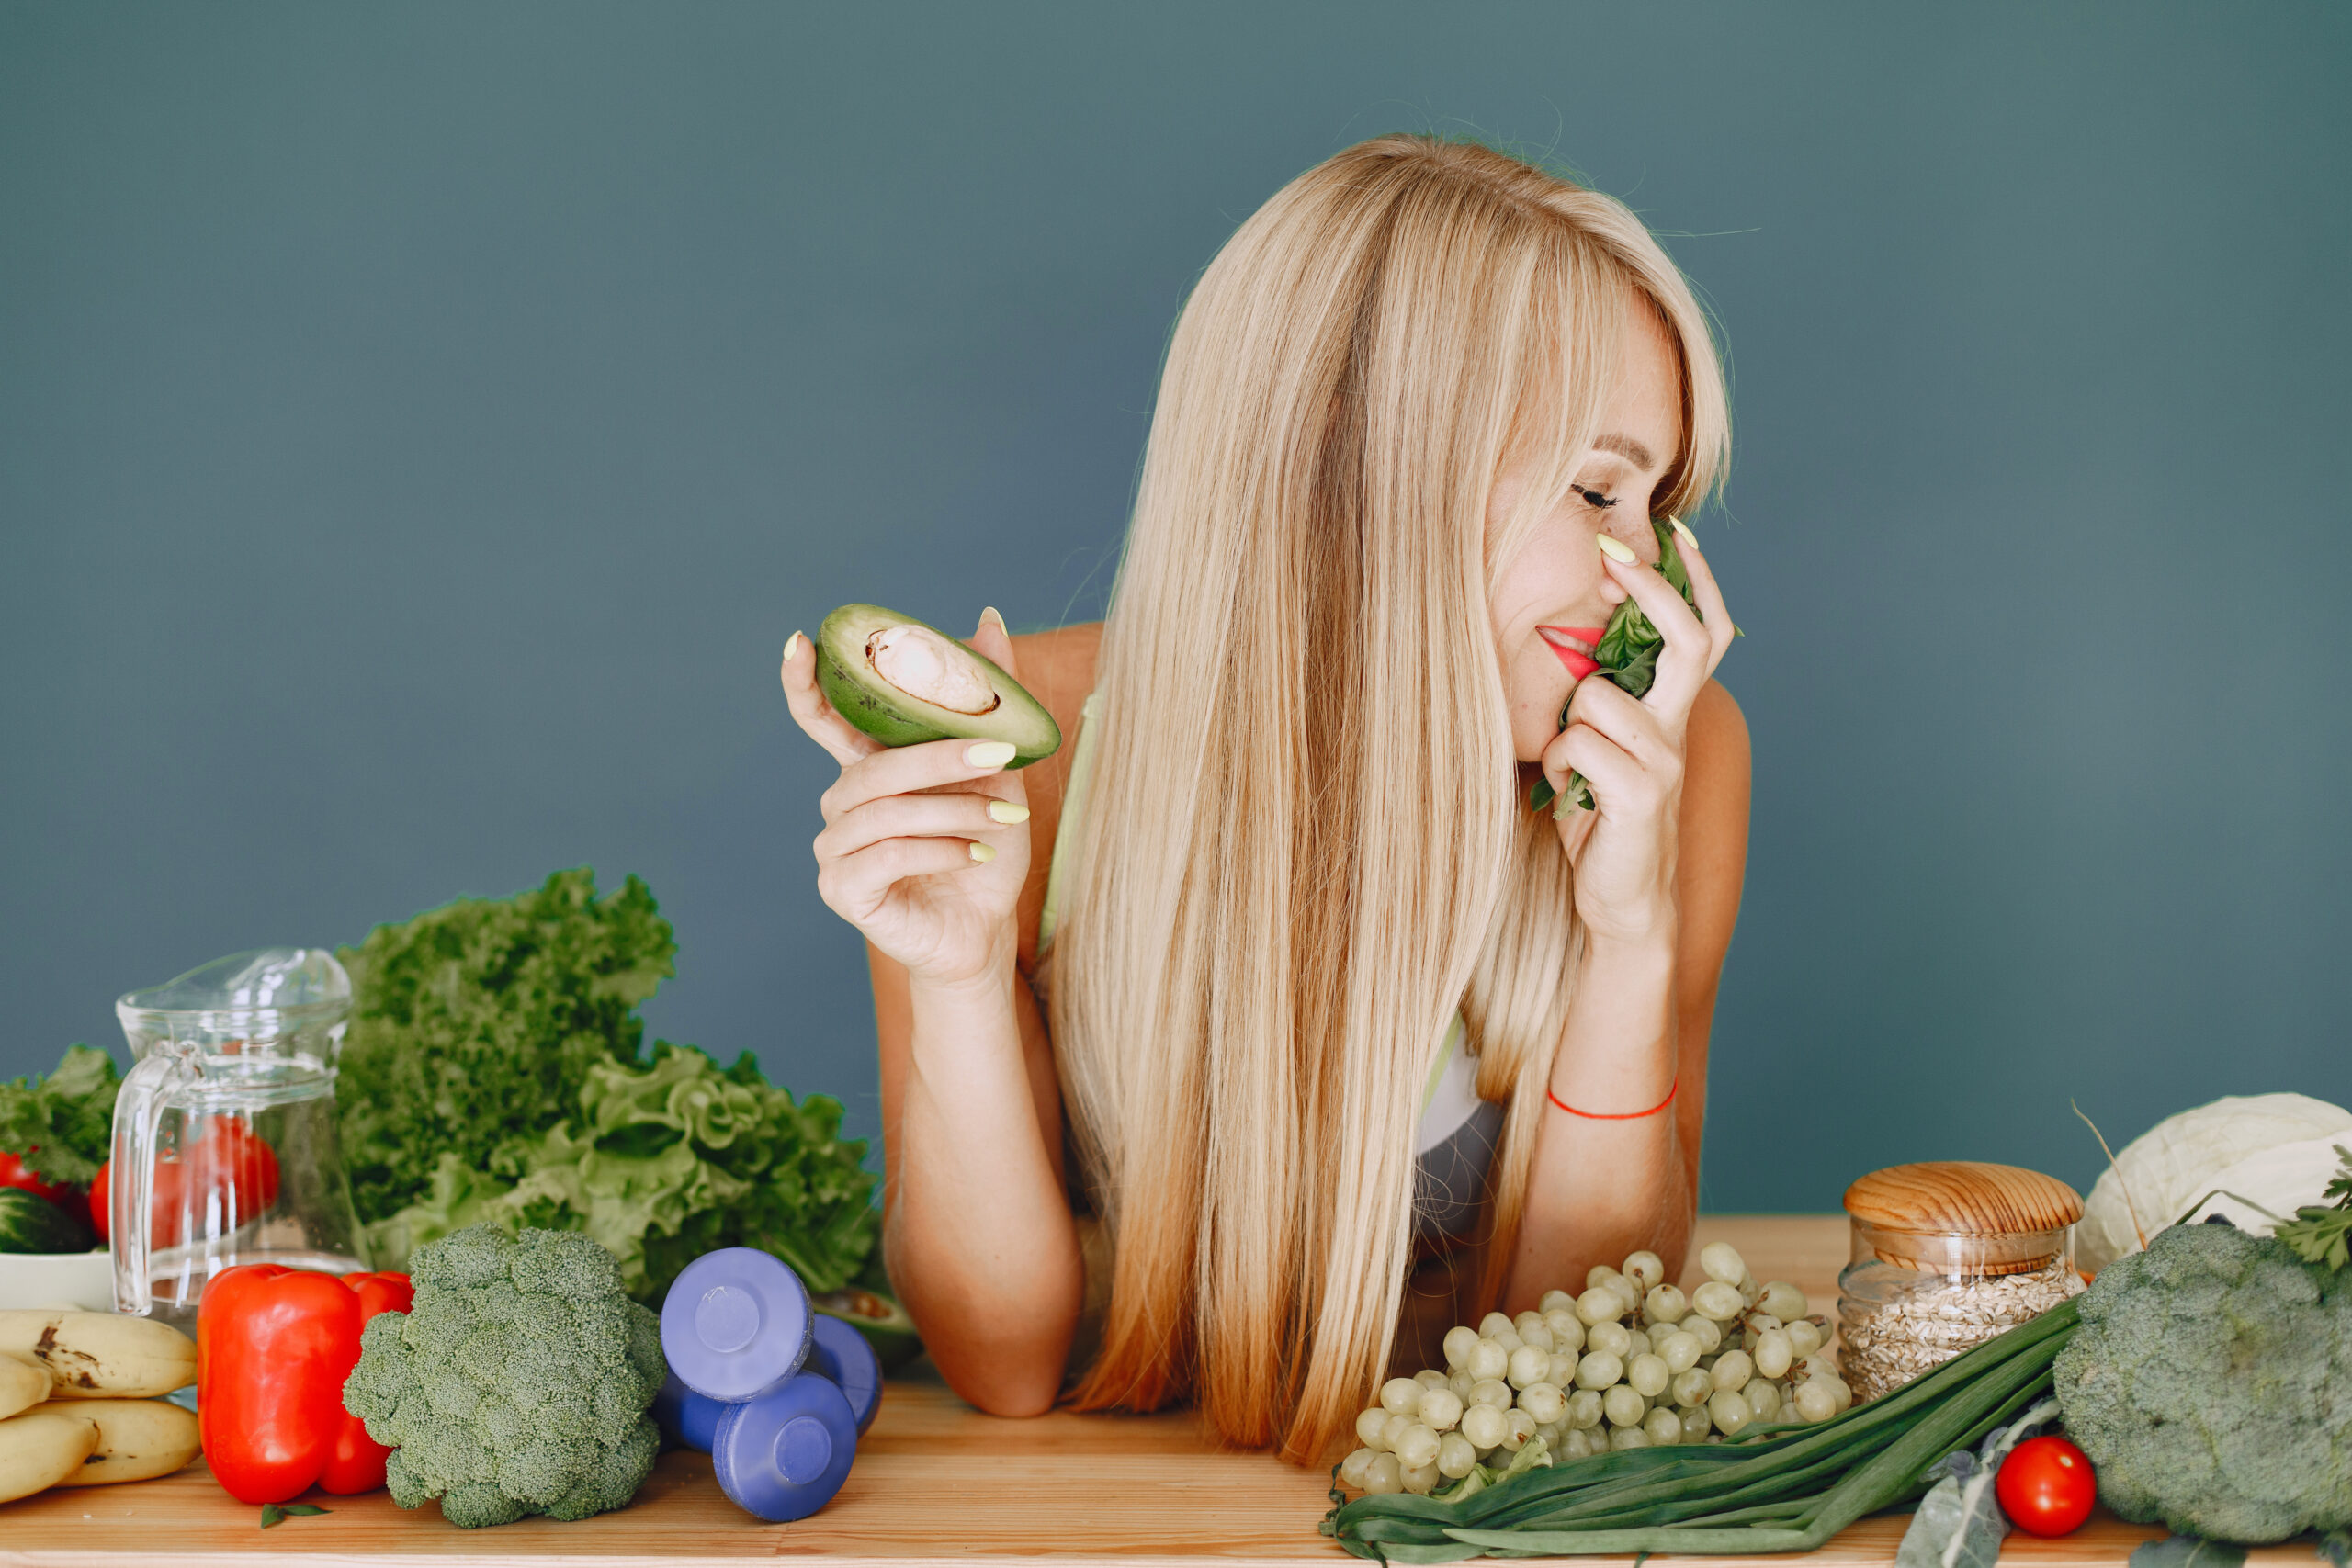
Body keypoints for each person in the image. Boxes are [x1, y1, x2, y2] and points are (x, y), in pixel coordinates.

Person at [780, 134, 1749, 1466]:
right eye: (1594, 488)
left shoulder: (1668, 770)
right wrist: (954, 979)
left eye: (1658, 503)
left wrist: (1626, 943)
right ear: (1363, 462)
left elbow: (1578, 1367)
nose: (1649, 571)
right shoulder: (1037, 756)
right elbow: (1007, 1365)